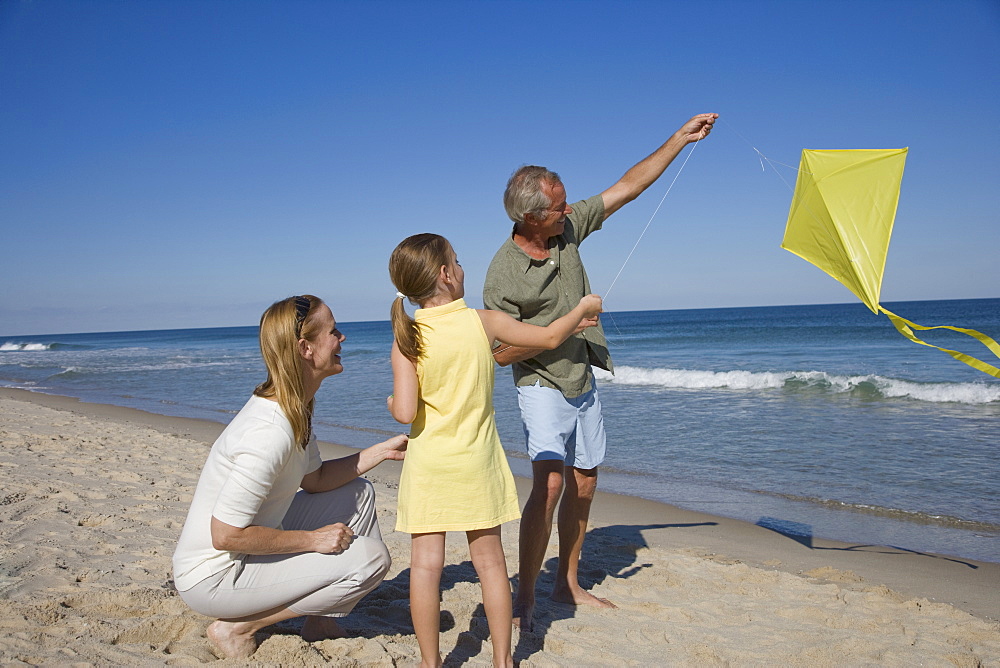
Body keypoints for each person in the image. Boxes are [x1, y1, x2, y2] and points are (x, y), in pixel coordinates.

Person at [483, 113, 719, 630]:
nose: (569, 209)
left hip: (583, 380)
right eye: (558, 206)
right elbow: (500, 354)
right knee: (547, 486)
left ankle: (566, 586)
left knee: (585, 484)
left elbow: (628, 187)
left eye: (567, 201)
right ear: (530, 218)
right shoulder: (502, 273)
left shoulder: (566, 227)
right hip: (541, 384)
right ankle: (525, 596)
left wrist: (681, 138)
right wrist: (569, 325)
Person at [387, 233, 602, 668]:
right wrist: (580, 310)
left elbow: (405, 411)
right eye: (458, 261)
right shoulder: (482, 322)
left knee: (426, 567)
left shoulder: (407, 337)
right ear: (446, 275)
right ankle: (503, 660)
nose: (463, 268)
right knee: (490, 564)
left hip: (429, 467)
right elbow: (545, 339)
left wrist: (392, 403)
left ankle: (430, 664)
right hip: (476, 463)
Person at [172, 295, 407, 658]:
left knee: (356, 492)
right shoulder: (268, 432)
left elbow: (316, 481)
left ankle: (321, 619)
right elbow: (226, 535)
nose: (342, 338)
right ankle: (238, 627)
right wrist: (313, 540)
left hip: (242, 551)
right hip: (215, 577)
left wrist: (381, 452)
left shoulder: (295, 405)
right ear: (305, 348)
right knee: (371, 559)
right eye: (333, 331)